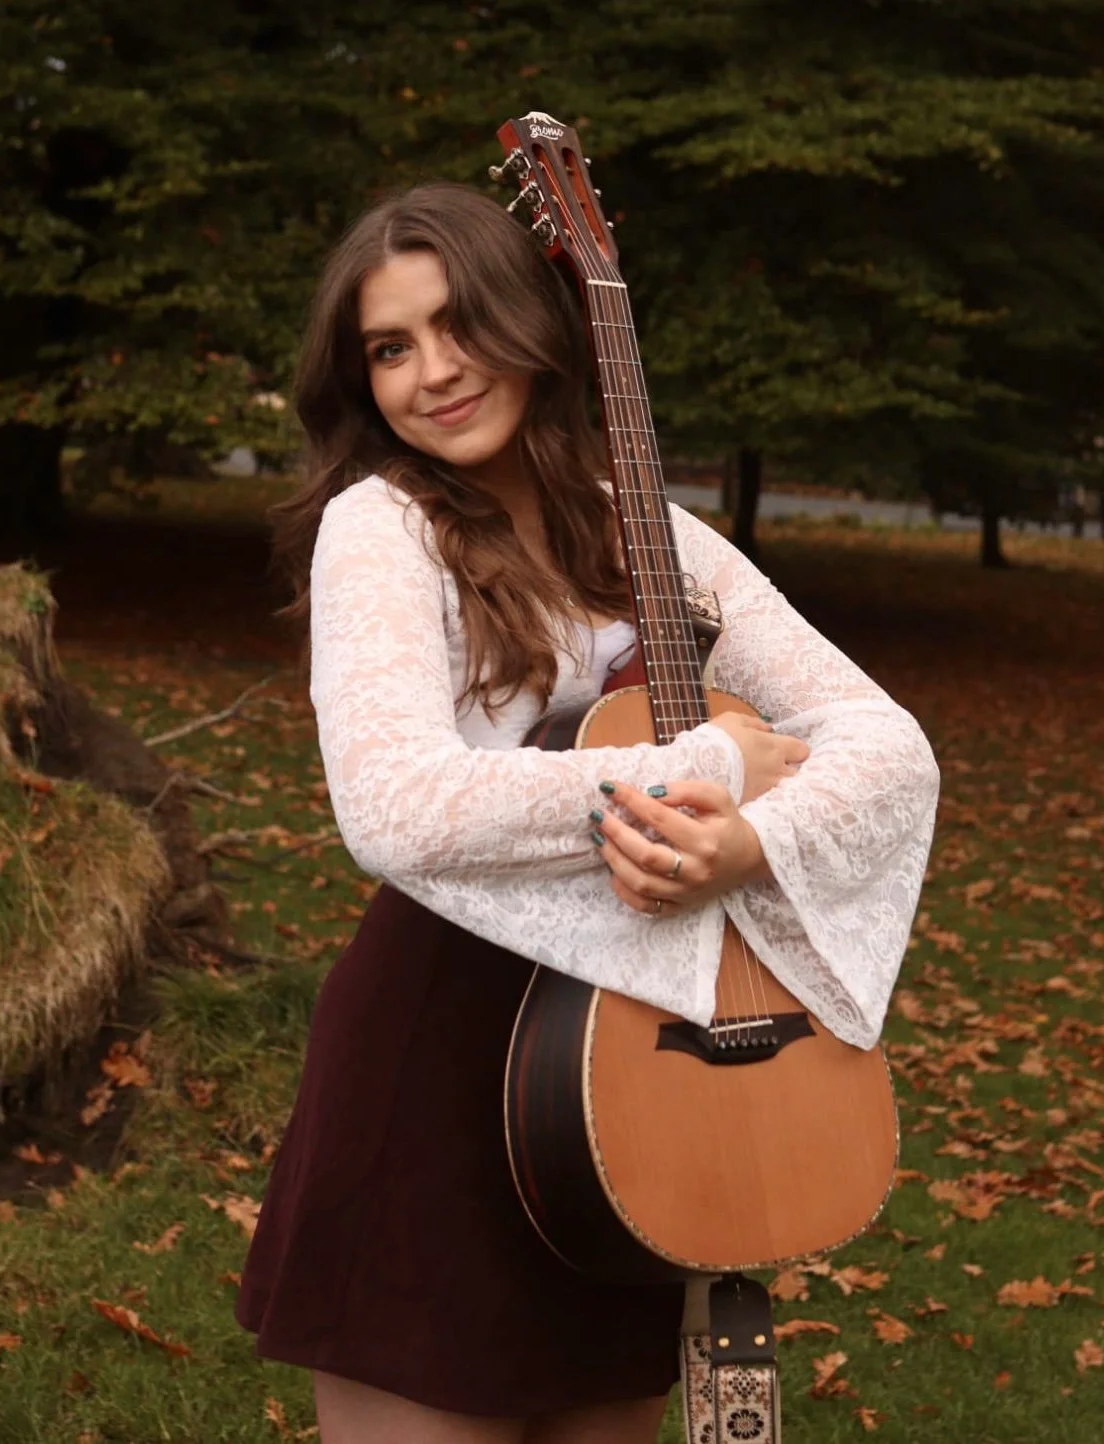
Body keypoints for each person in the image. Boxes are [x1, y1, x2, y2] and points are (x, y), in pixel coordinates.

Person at [236, 181, 940, 1444]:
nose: (434, 373)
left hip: (637, 1091)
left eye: (459, 325)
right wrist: (708, 768)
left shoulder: (653, 538)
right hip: (435, 1073)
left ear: (532, 322)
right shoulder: (384, 529)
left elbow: (889, 743)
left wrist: (747, 843)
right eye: (390, 349)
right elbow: (397, 806)